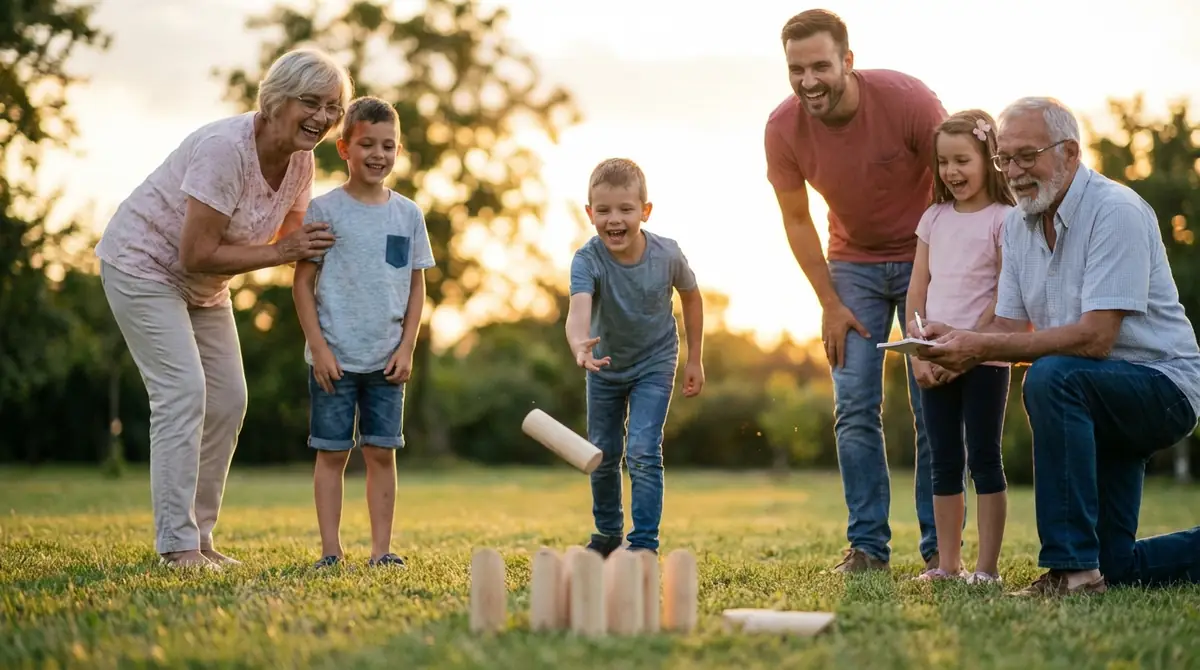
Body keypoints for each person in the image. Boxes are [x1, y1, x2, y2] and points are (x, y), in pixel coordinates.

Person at [917, 96, 1200, 596]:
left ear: (1069, 153)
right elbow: (1007, 325)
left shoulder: (1115, 211)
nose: (1014, 172)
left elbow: (1096, 337)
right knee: (1117, 565)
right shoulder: (1019, 225)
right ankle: (1093, 567)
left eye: (1027, 156)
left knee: (1050, 375)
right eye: (1005, 158)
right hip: (1094, 397)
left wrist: (978, 348)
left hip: (1161, 388)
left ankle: (1071, 570)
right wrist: (955, 340)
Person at [94, 48, 353, 570]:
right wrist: (283, 251)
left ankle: (201, 536)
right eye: (312, 102)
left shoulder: (302, 161)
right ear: (277, 99)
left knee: (230, 399)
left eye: (333, 107)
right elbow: (196, 251)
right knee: (182, 392)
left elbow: (292, 237)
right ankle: (177, 545)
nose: (323, 117)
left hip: (207, 285)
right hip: (144, 266)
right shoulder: (224, 149)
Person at [762, 8, 949, 572]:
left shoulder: (910, 101)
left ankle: (941, 548)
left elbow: (958, 185)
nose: (808, 81)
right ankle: (868, 546)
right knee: (853, 406)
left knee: (932, 403)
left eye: (820, 66)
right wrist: (829, 302)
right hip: (851, 267)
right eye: (796, 70)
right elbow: (796, 219)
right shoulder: (782, 129)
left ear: (847, 60)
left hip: (926, 258)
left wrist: (946, 276)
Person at [292, 96, 435, 569]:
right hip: (334, 361)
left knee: (381, 454)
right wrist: (319, 348)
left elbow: (416, 286)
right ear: (344, 149)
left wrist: (407, 347)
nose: (379, 154)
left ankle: (381, 552)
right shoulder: (324, 210)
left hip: (387, 361)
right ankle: (331, 552)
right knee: (331, 456)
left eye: (388, 145)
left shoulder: (408, 215)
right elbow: (302, 284)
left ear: (399, 151)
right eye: (367, 144)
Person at [565, 158, 705, 556]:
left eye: (626, 209)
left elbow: (692, 298)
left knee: (643, 449)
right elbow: (578, 310)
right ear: (590, 213)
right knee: (602, 453)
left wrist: (695, 358)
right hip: (604, 366)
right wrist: (579, 344)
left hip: (655, 362)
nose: (614, 219)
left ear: (645, 211)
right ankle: (609, 534)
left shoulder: (667, 254)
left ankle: (643, 543)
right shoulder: (587, 259)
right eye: (604, 210)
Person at [905, 110, 1016, 584]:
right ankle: (948, 565)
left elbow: (1006, 294)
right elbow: (917, 289)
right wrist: (918, 351)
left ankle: (986, 570)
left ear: (989, 159)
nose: (951, 171)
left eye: (962, 160)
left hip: (986, 359)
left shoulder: (1005, 220)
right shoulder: (933, 218)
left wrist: (970, 347)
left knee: (985, 459)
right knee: (944, 461)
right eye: (944, 162)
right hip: (933, 359)